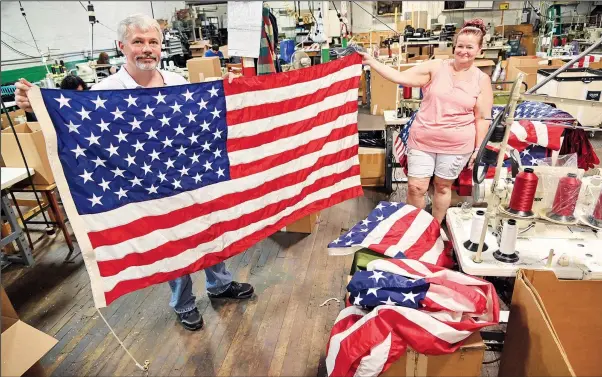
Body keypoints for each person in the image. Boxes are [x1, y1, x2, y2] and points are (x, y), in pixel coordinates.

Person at [15, 13, 253, 332]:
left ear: (161, 46)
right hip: (145, 188)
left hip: (189, 178)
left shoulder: (178, 83)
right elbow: (74, 126)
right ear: (121, 46)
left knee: (204, 230)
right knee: (170, 245)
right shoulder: (106, 92)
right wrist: (38, 107)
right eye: (138, 42)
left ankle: (220, 285)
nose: (146, 49)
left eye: (152, 41)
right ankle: (184, 303)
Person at [360, 19, 493, 224]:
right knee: (416, 187)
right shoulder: (436, 67)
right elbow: (398, 77)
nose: (463, 51)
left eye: (469, 47)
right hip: (423, 139)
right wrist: (372, 62)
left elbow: (482, 118)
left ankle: (434, 228)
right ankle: (416, 228)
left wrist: (478, 149)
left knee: (442, 187)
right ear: (454, 46)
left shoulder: (481, 80)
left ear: (479, 49)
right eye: (460, 46)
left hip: (457, 145)